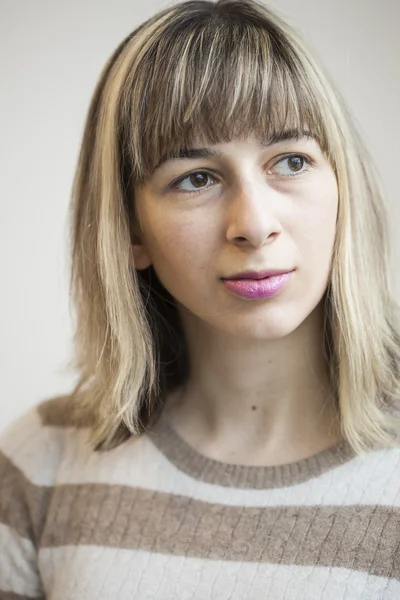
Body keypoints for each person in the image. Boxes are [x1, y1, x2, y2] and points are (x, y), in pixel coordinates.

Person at [1, 0, 399, 598]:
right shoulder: (41, 463)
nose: (254, 224)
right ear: (131, 231)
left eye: (290, 161)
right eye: (197, 178)